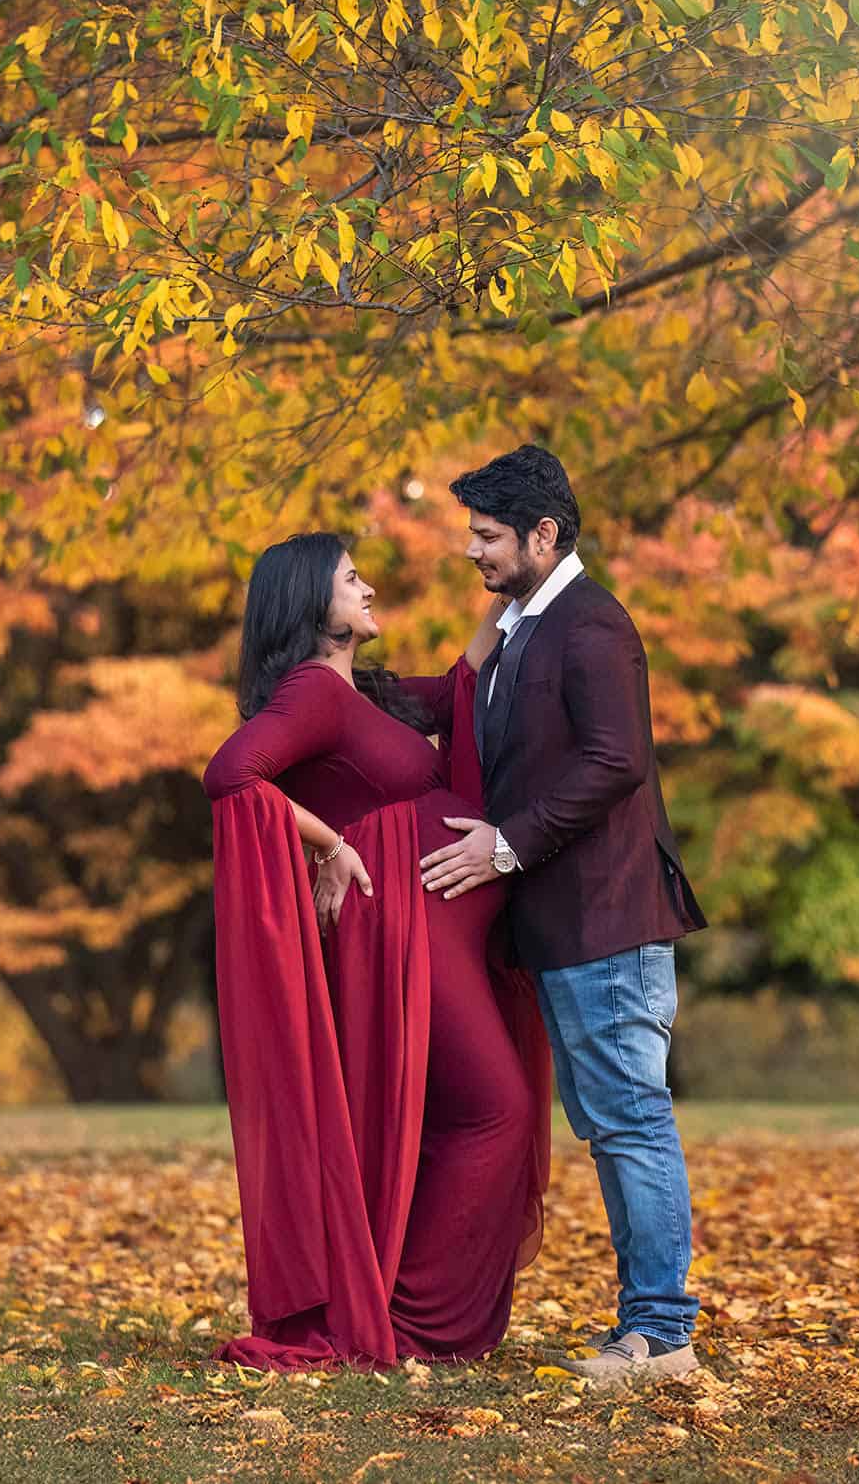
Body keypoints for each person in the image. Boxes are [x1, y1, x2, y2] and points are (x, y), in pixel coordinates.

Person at [201, 532, 550, 1370]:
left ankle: (398, 1302)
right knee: (496, 1109)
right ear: (310, 606)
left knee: (448, 1118)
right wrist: (328, 844)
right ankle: (401, 1321)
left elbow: (462, 684)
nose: (368, 588)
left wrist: (533, 573)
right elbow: (230, 775)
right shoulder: (312, 694)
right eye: (350, 579)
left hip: (442, 936)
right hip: (399, 933)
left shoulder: (370, 697)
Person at [418, 444, 709, 1388]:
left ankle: (662, 1335)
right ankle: (650, 1326)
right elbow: (463, 711)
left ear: (545, 535)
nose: (474, 551)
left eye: (489, 536)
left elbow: (614, 761)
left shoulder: (590, 626)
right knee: (614, 1124)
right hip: (567, 926)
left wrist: (505, 843)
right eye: (473, 534)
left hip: (608, 921)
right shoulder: (520, 623)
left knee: (631, 1120)